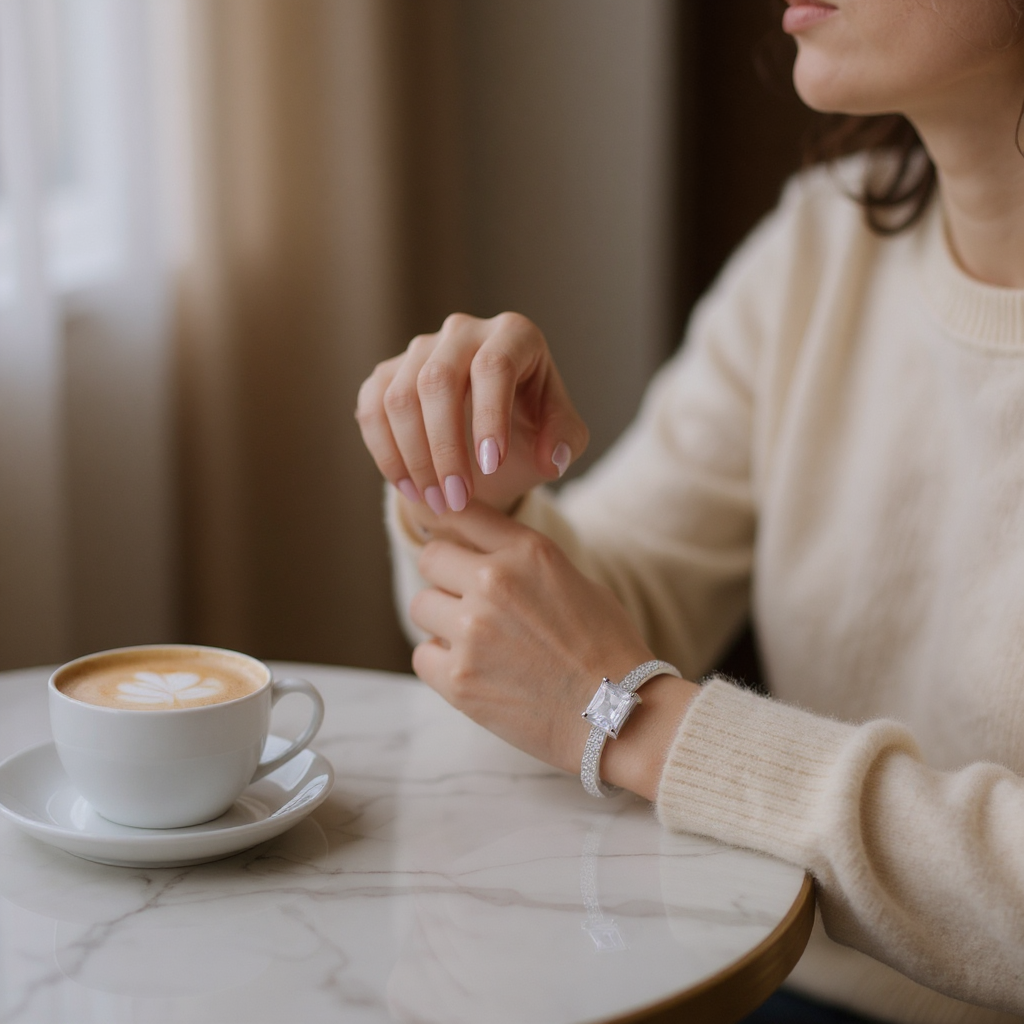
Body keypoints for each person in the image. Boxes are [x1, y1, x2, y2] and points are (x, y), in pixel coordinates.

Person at [356, 1, 1024, 1021]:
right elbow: (606, 616)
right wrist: (474, 493)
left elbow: (599, 683)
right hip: (765, 975)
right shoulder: (822, 242)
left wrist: (642, 722)